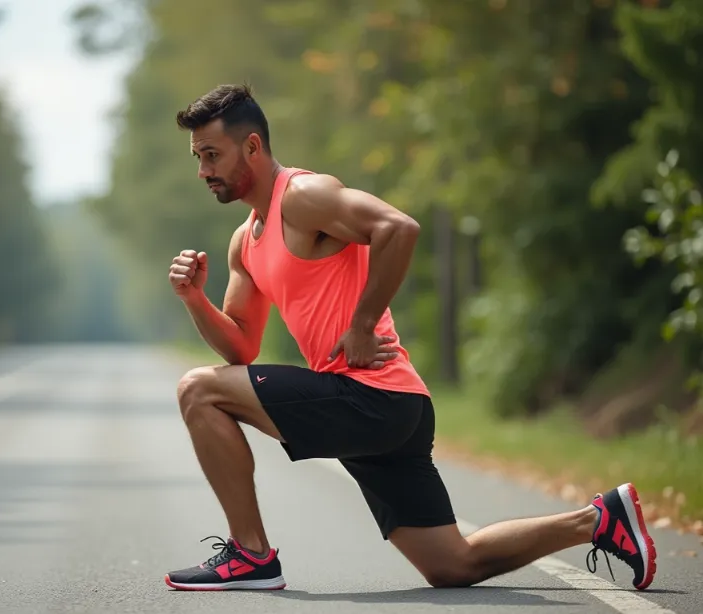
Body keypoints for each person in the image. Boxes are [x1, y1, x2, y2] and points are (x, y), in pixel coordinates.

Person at [163, 83, 657, 592]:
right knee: (452, 565)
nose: (203, 170)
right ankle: (597, 520)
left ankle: (251, 555)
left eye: (212, 155)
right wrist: (195, 299)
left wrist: (360, 324)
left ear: (251, 147)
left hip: (372, 397)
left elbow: (398, 227)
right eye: (198, 157)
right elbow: (242, 346)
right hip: (389, 408)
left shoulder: (304, 197)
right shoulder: (246, 241)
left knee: (198, 389)